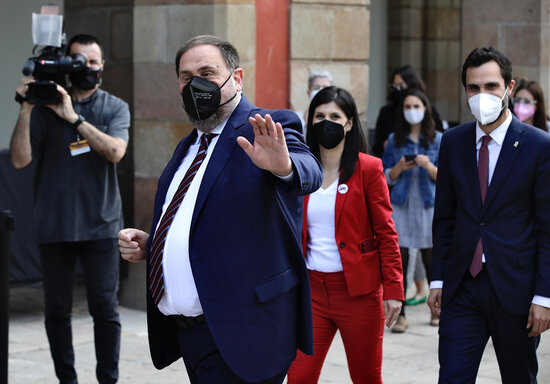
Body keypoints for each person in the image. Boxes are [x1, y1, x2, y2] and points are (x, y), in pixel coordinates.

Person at [117, 35, 323, 384]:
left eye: (207, 72)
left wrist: (283, 165)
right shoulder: (187, 146)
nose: (195, 83)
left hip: (247, 331)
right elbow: (207, 223)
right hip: (192, 334)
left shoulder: (267, 126)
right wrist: (155, 244)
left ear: (237, 78)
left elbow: (309, 172)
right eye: (186, 76)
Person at [10, 34, 129, 384]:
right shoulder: (45, 107)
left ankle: (108, 380)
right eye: (78, 61)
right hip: (55, 225)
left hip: (102, 225)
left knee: (105, 311)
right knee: (56, 313)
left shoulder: (115, 107)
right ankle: (67, 381)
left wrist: (73, 117)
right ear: (66, 63)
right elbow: (19, 160)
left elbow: (115, 152)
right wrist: (27, 106)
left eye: (92, 62)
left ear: (102, 66)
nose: (86, 68)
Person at [427, 46, 550, 383]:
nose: (482, 95)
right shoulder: (452, 142)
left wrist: (544, 296)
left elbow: (547, 228)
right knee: (452, 377)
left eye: (491, 86)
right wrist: (437, 279)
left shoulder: (539, 146)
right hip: (462, 288)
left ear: (509, 88)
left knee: (518, 378)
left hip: (516, 292)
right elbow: (445, 219)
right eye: (473, 88)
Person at [287, 86, 403, 383]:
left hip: (359, 293)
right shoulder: (300, 168)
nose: (327, 121)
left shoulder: (368, 168)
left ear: (349, 122)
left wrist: (393, 291)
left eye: (335, 116)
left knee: (365, 377)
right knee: (299, 376)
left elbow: (387, 233)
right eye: (320, 115)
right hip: (311, 291)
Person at [382, 89, 441, 333]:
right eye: (407, 106)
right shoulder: (394, 139)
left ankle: (437, 309)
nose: (412, 111)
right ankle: (401, 313)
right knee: (401, 257)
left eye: (416, 106)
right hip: (402, 204)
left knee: (431, 258)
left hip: (428, 204)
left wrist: (429, 166)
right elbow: (385, 176)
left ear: (425, 108)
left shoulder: (438, 139)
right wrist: (398, 168)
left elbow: (447, 177)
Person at [372, 64, 444, 158]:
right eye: (395, 86)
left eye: (401, 85)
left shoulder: (431, 113)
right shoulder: (387, 113)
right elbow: (378, 147)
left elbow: (440, 144)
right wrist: (388, 145)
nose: (411, 111)